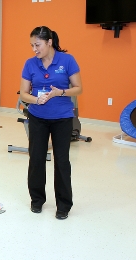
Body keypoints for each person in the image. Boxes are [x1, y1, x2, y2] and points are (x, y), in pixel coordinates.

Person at [19, 26, 82, 220]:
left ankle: (63, 205)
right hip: (38, 117)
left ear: (49, 42)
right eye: (31, 45)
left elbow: (78, 88)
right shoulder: (30, 64)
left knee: (62, 161)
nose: (34, 49)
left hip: (62, 118)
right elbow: (23, 94)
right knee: (36, 159)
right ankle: (37, 200)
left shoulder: (67, 60)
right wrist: (36, 100)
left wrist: (60, 92)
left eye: (37, 45)